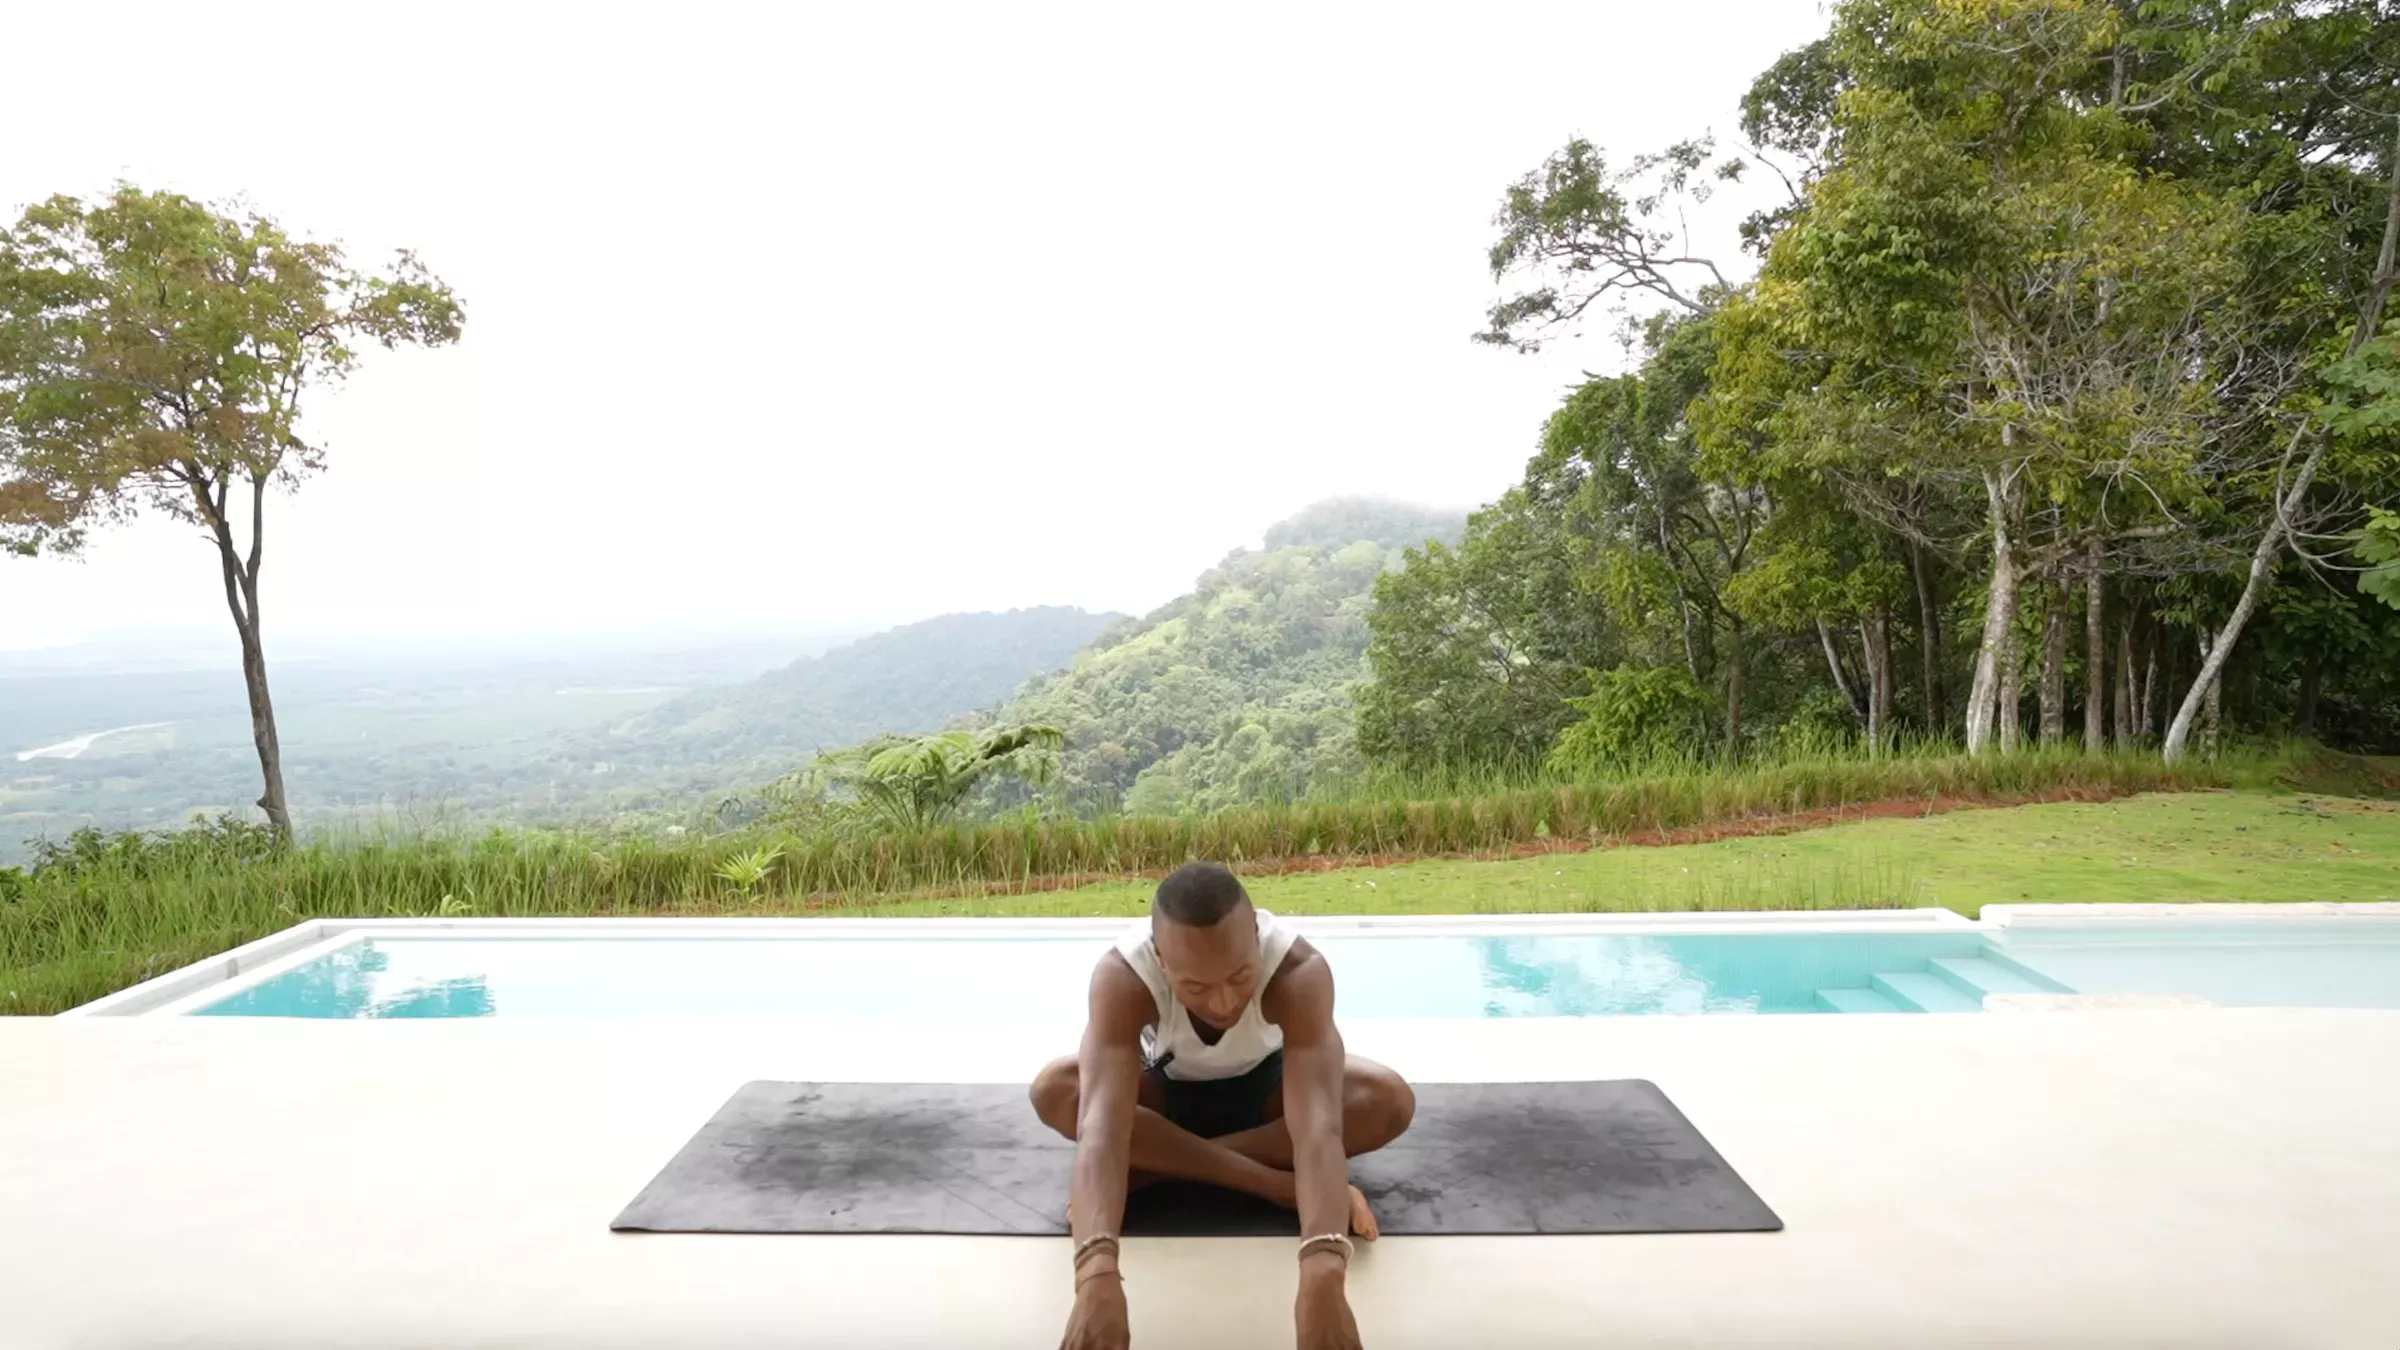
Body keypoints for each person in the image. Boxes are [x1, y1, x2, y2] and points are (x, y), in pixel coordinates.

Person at [1029, 861, 1416, 1350]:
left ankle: (1158, 1170)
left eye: (1239, 977)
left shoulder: (1299, 971)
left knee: (1386, 1100)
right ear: (1162, 961)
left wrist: (1322, 1272)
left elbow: (1318, 1130)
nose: (1222, 1002)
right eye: (1196, 988)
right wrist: (1094, 1272)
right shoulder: (1122, 977)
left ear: (1256, 936)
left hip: (1270, 1099)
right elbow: (1103, 1127)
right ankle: (1274, 1182)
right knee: (1057, 1090)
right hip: (1167, 1097)